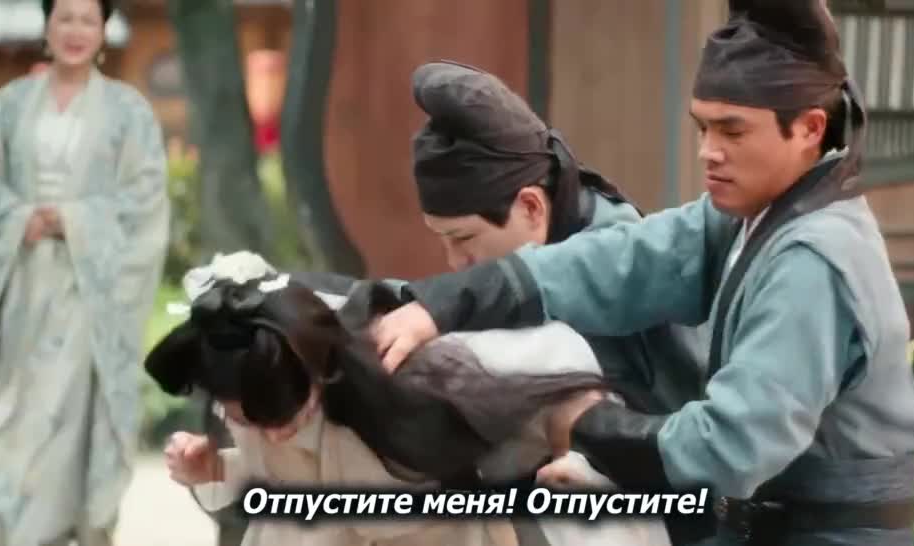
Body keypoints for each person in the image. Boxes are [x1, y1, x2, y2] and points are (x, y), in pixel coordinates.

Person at [369, 1, 914, 545]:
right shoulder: (745, 215)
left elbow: (729, 448)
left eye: (732, 132)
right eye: (703, 129)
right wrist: (443, 303)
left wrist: (585, 426)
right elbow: (615, 263)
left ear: (808, 128)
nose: (708, 152)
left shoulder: (814, 258)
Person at [148, 254, 670, 546]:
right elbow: (286, 474)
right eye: (244, 417)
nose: (272, 433)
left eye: (278, 418)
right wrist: (217, 468)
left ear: (317, 375)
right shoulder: (261, 385)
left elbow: (558, 371)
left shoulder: (401, 397)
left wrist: (572, 455)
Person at [0, 0, 171, 544]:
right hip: (17, 285)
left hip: (88, 294)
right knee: (6, 410)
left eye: (87, 20)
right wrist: (16, 219)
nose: (75, 31)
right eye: (64, 18)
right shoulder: (7, 107)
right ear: (47, 26)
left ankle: (41, 529)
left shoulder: (129, 113)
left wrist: (72, 219)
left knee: (59, 412)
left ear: (103, 31)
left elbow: (144, 203)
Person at [300, 60, 705, 416]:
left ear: (531, 207)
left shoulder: (616, 257)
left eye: (463, 237)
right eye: (443, 240)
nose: (455, 262)